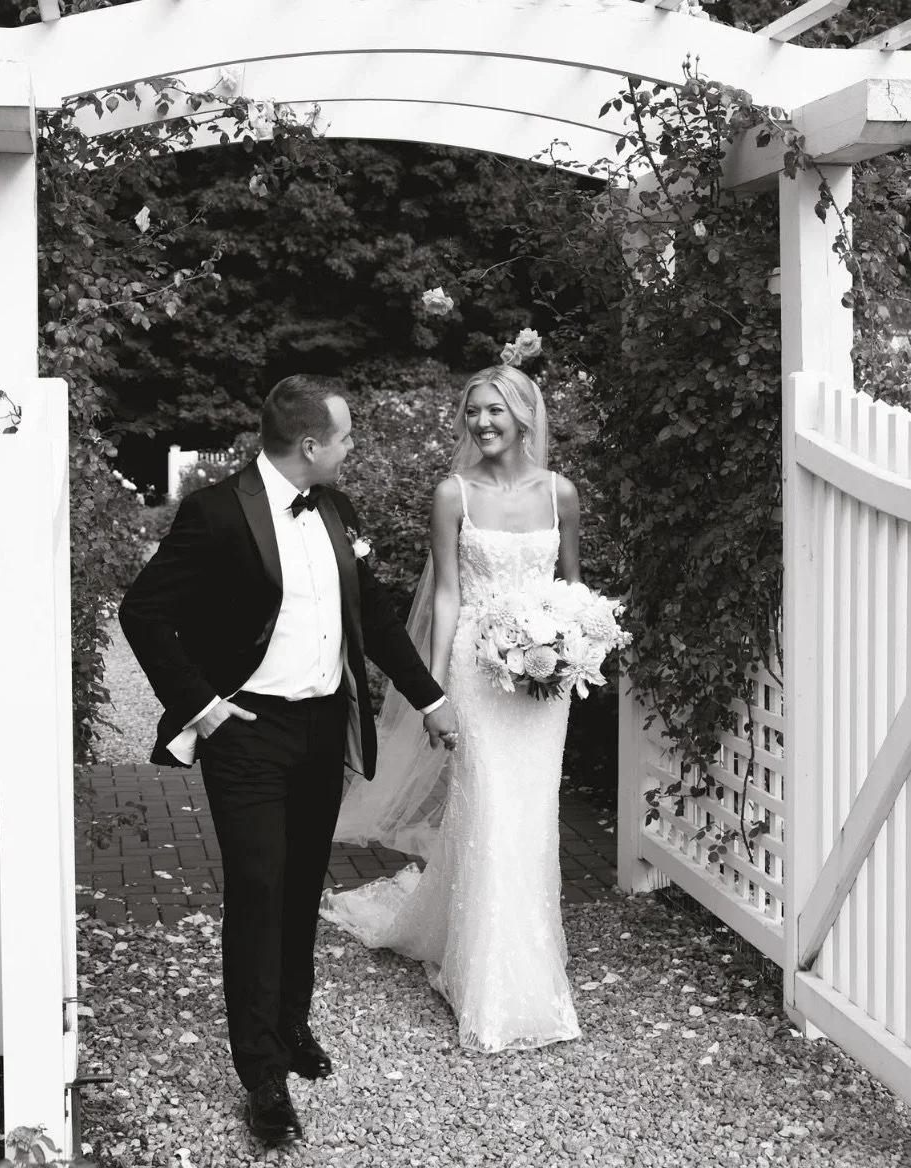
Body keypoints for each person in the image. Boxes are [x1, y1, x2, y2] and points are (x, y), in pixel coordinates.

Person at [118, 374, 459, 1147]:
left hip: (319, 730)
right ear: (310, 444)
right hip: (248, 733)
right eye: (344, 437)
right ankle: (261, 1073)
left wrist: (431, 700)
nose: (351, 447)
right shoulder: (214, 514)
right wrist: (204, 707)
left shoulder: (337, 509)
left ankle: (292, 1025)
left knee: (302, 881)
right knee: (259, 884)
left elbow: (371, 612)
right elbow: (142, 612)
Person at [321, 364, 583, 1052]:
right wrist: (431, 689)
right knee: (490, 808)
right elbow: (444, 595)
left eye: (494, 411)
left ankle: (524, 950)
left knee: (531, 817)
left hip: (541, 684)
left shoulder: (560, 493)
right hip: (476, 670)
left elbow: (572, 590)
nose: (482, 424)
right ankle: (486, 978)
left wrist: (571, 648)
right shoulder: (451, 493)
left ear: (524, 415)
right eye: (472, 413)